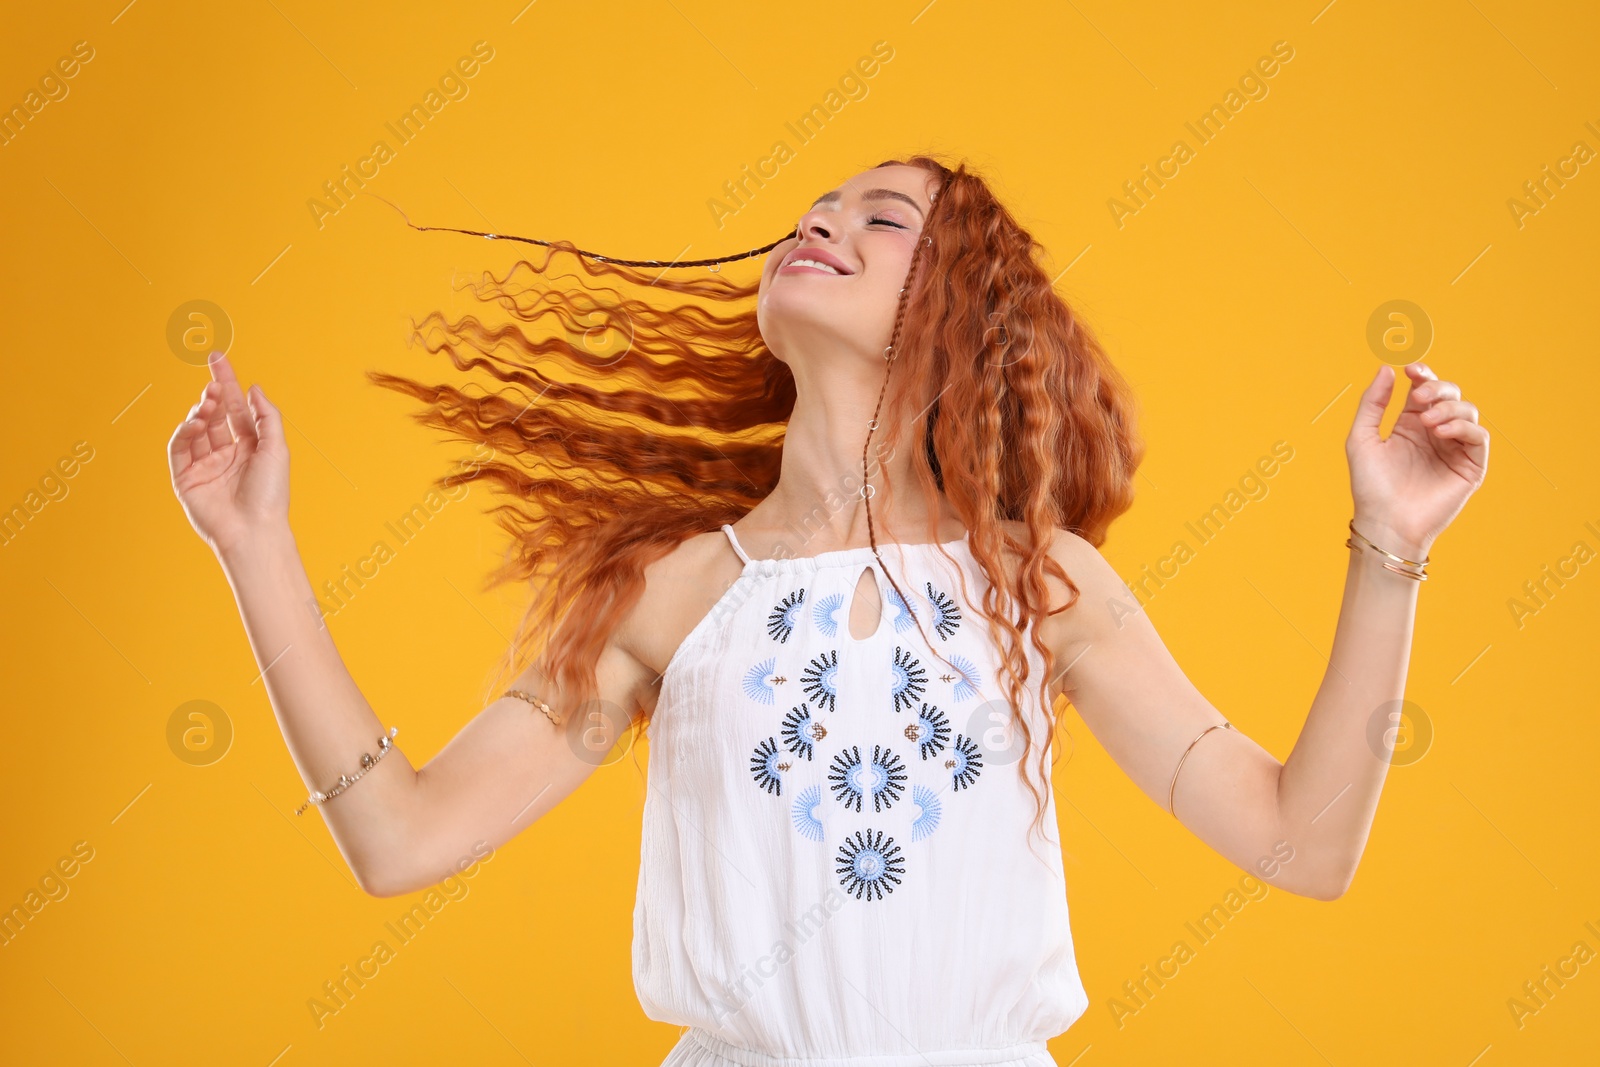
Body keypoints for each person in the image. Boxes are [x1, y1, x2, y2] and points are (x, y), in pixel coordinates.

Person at [167, 154, 1489, 1064]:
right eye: (816, 207)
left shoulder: (1041, 585)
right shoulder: (671, 596)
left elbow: (1300, 847)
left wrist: (1390, 545)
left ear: (958, 310)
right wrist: (254, 543)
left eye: (883, 219)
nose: (824, 223)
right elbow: (401, 839)